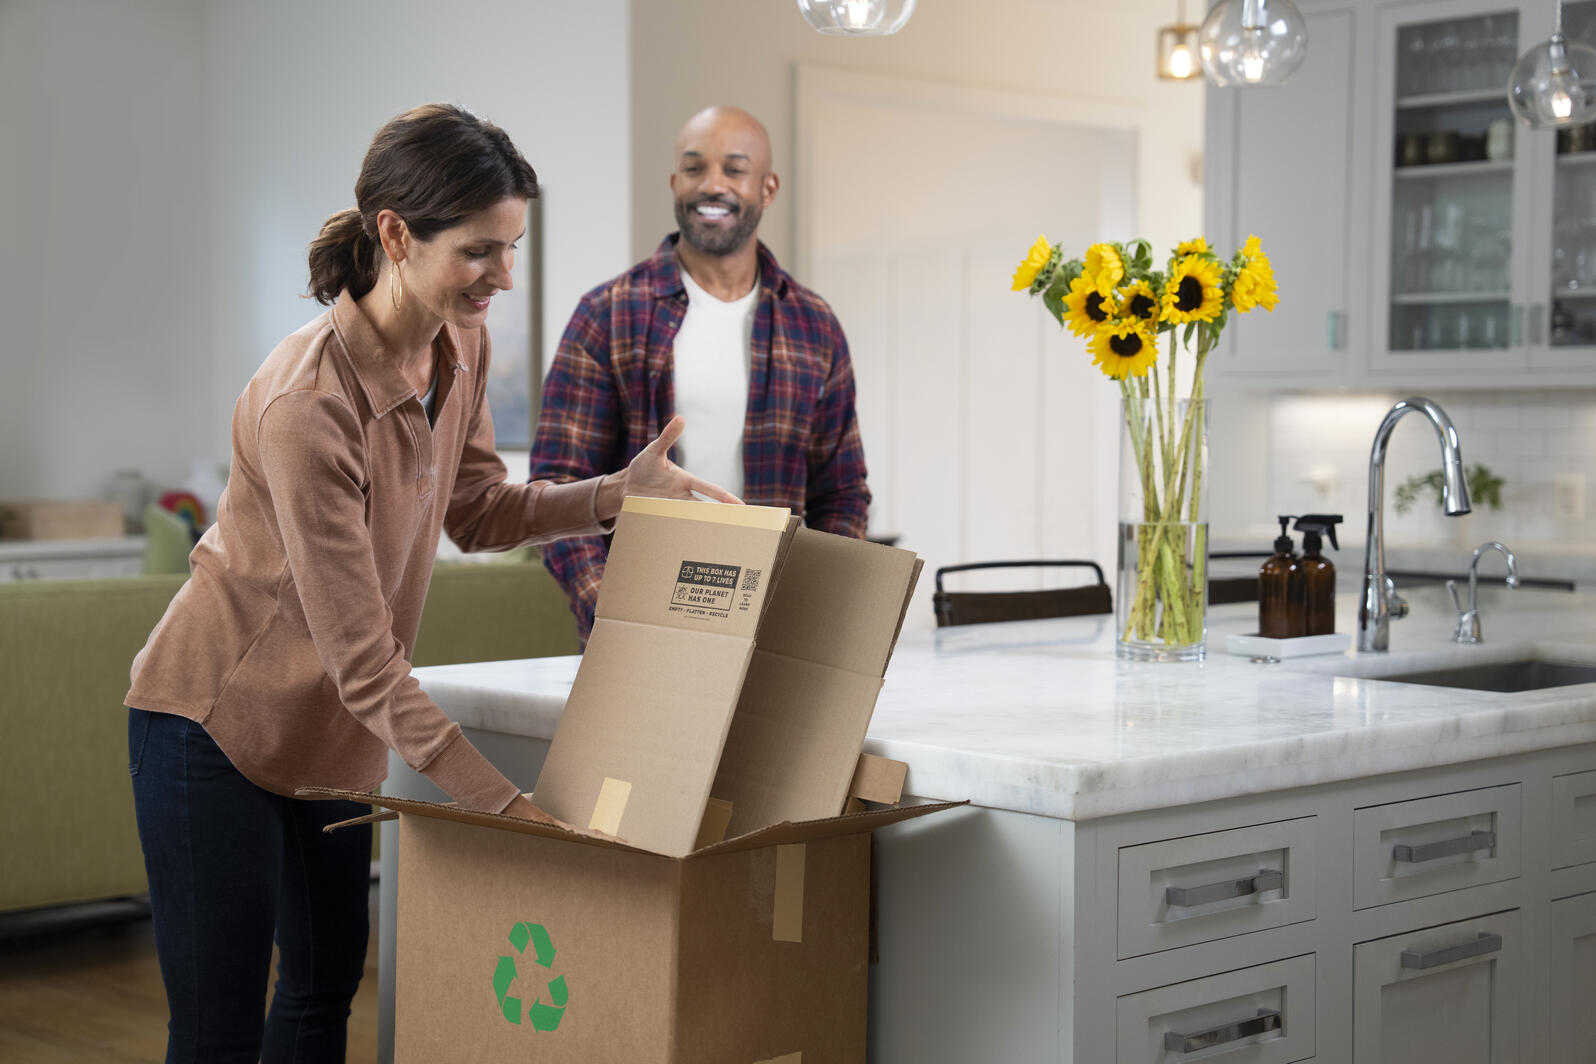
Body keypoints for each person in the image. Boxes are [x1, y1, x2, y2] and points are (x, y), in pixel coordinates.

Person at [123, 104, 736, 1064]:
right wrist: (502, 808)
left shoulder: (459, 344)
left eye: (514, 247)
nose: (503, 276)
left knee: (324, 992)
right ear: (397, 236)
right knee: (218, 1028)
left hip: (328, 742)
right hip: (214, 724)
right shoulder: (307, 407)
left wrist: (619, 495)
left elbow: (478, 508)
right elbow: (366, 664)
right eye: (481, 251)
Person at [529, 105, 870, 638]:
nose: (713, 185)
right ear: (673, 182)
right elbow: (560, 488)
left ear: (767, 188)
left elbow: (842, 491)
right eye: (694, 168)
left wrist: (814, 610)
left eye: (734, 169)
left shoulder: (814, 325)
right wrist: (612, 616)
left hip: (774, 626)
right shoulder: (607, 314)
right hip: (638, 623)